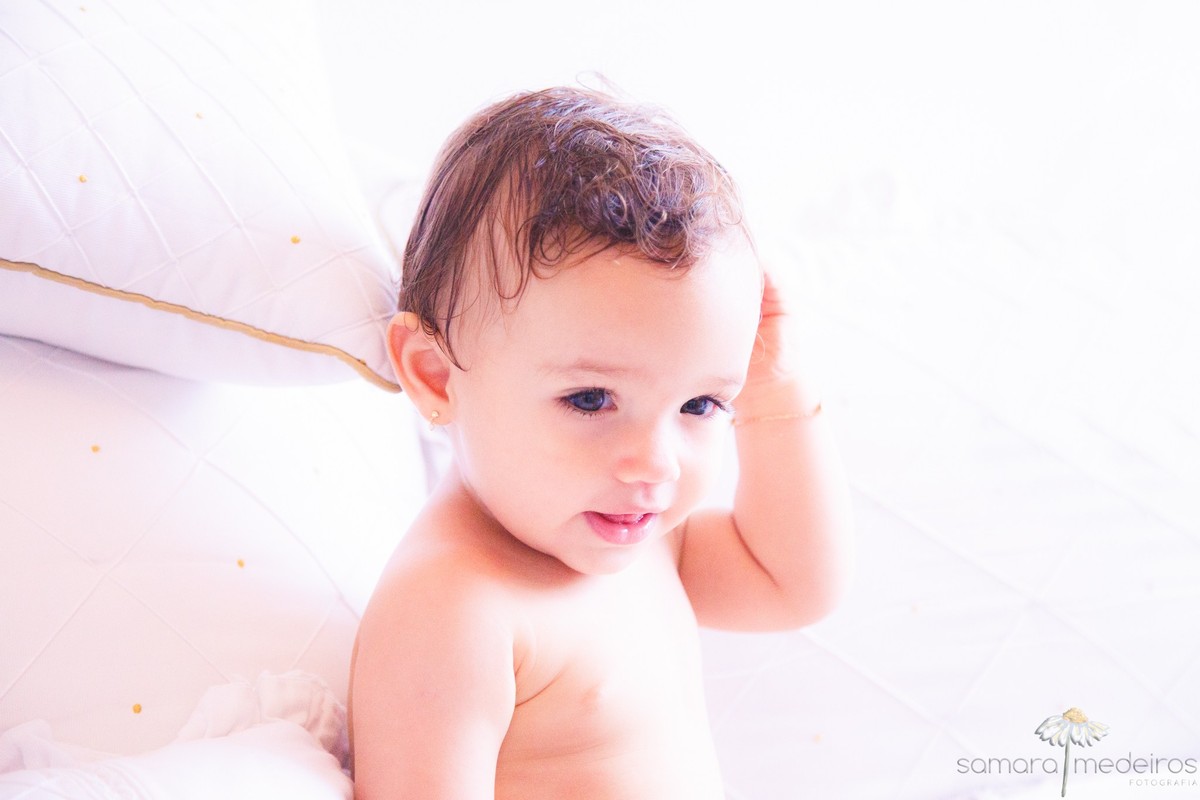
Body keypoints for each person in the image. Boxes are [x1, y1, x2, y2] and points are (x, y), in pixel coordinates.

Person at [349, 85, 853, 799]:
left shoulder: (649, 542)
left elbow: (793, 585)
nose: (656, 464)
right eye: (590, 399)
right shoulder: (454, 611)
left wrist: (776, 388)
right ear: (436, 376)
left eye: (701, 403)